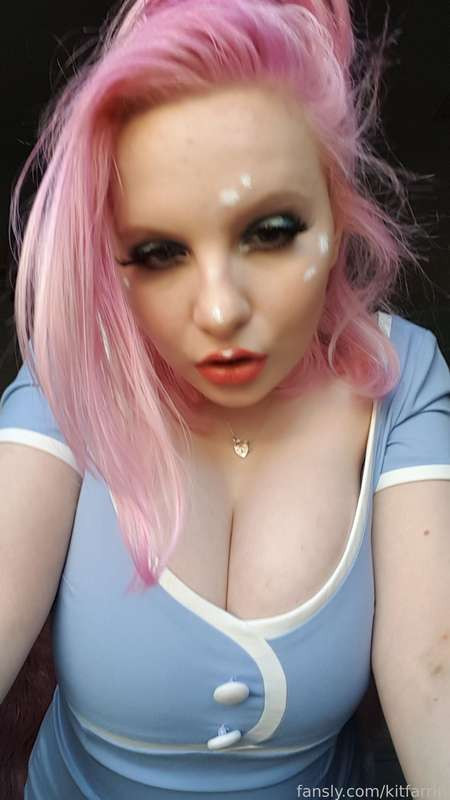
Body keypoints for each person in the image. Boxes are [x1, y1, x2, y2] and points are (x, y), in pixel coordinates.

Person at [0, 0, 449, 797]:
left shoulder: (403, 377)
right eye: (160, 251)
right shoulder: (74, 371)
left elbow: (433, 672)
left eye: (269, 232)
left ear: (336, 207)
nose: (218, 310)